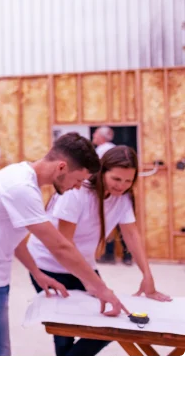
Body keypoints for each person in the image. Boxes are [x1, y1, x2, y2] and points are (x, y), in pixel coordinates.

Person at [0, 132, 129, 357]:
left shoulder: (22, 176)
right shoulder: (21, 188)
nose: (76, 188)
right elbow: (60, 246)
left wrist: (37, 272)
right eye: (77, 181)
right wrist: (102, 289)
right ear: (61, 167)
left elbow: (12, 238)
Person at [23, 145, 172, 357]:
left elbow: (132, 235)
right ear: (103, 172)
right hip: (50, 262)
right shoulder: (76, 192)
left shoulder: (124, 197)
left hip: (82, 263)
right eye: (116, 179)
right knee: (66, 328)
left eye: (128, 181)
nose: (122, 186)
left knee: (111, 321)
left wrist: (147, 276)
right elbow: (65, 244)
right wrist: (91, 282)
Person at [92, 126, 132, 265]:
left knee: (107, 222)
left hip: (106, 192)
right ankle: (127, 257)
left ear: (102, 137)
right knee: (123, 225)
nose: (94, 137)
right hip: (120, 194)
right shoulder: (116, 149)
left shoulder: (100, 151)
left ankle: (108, 255)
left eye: (96, 134)